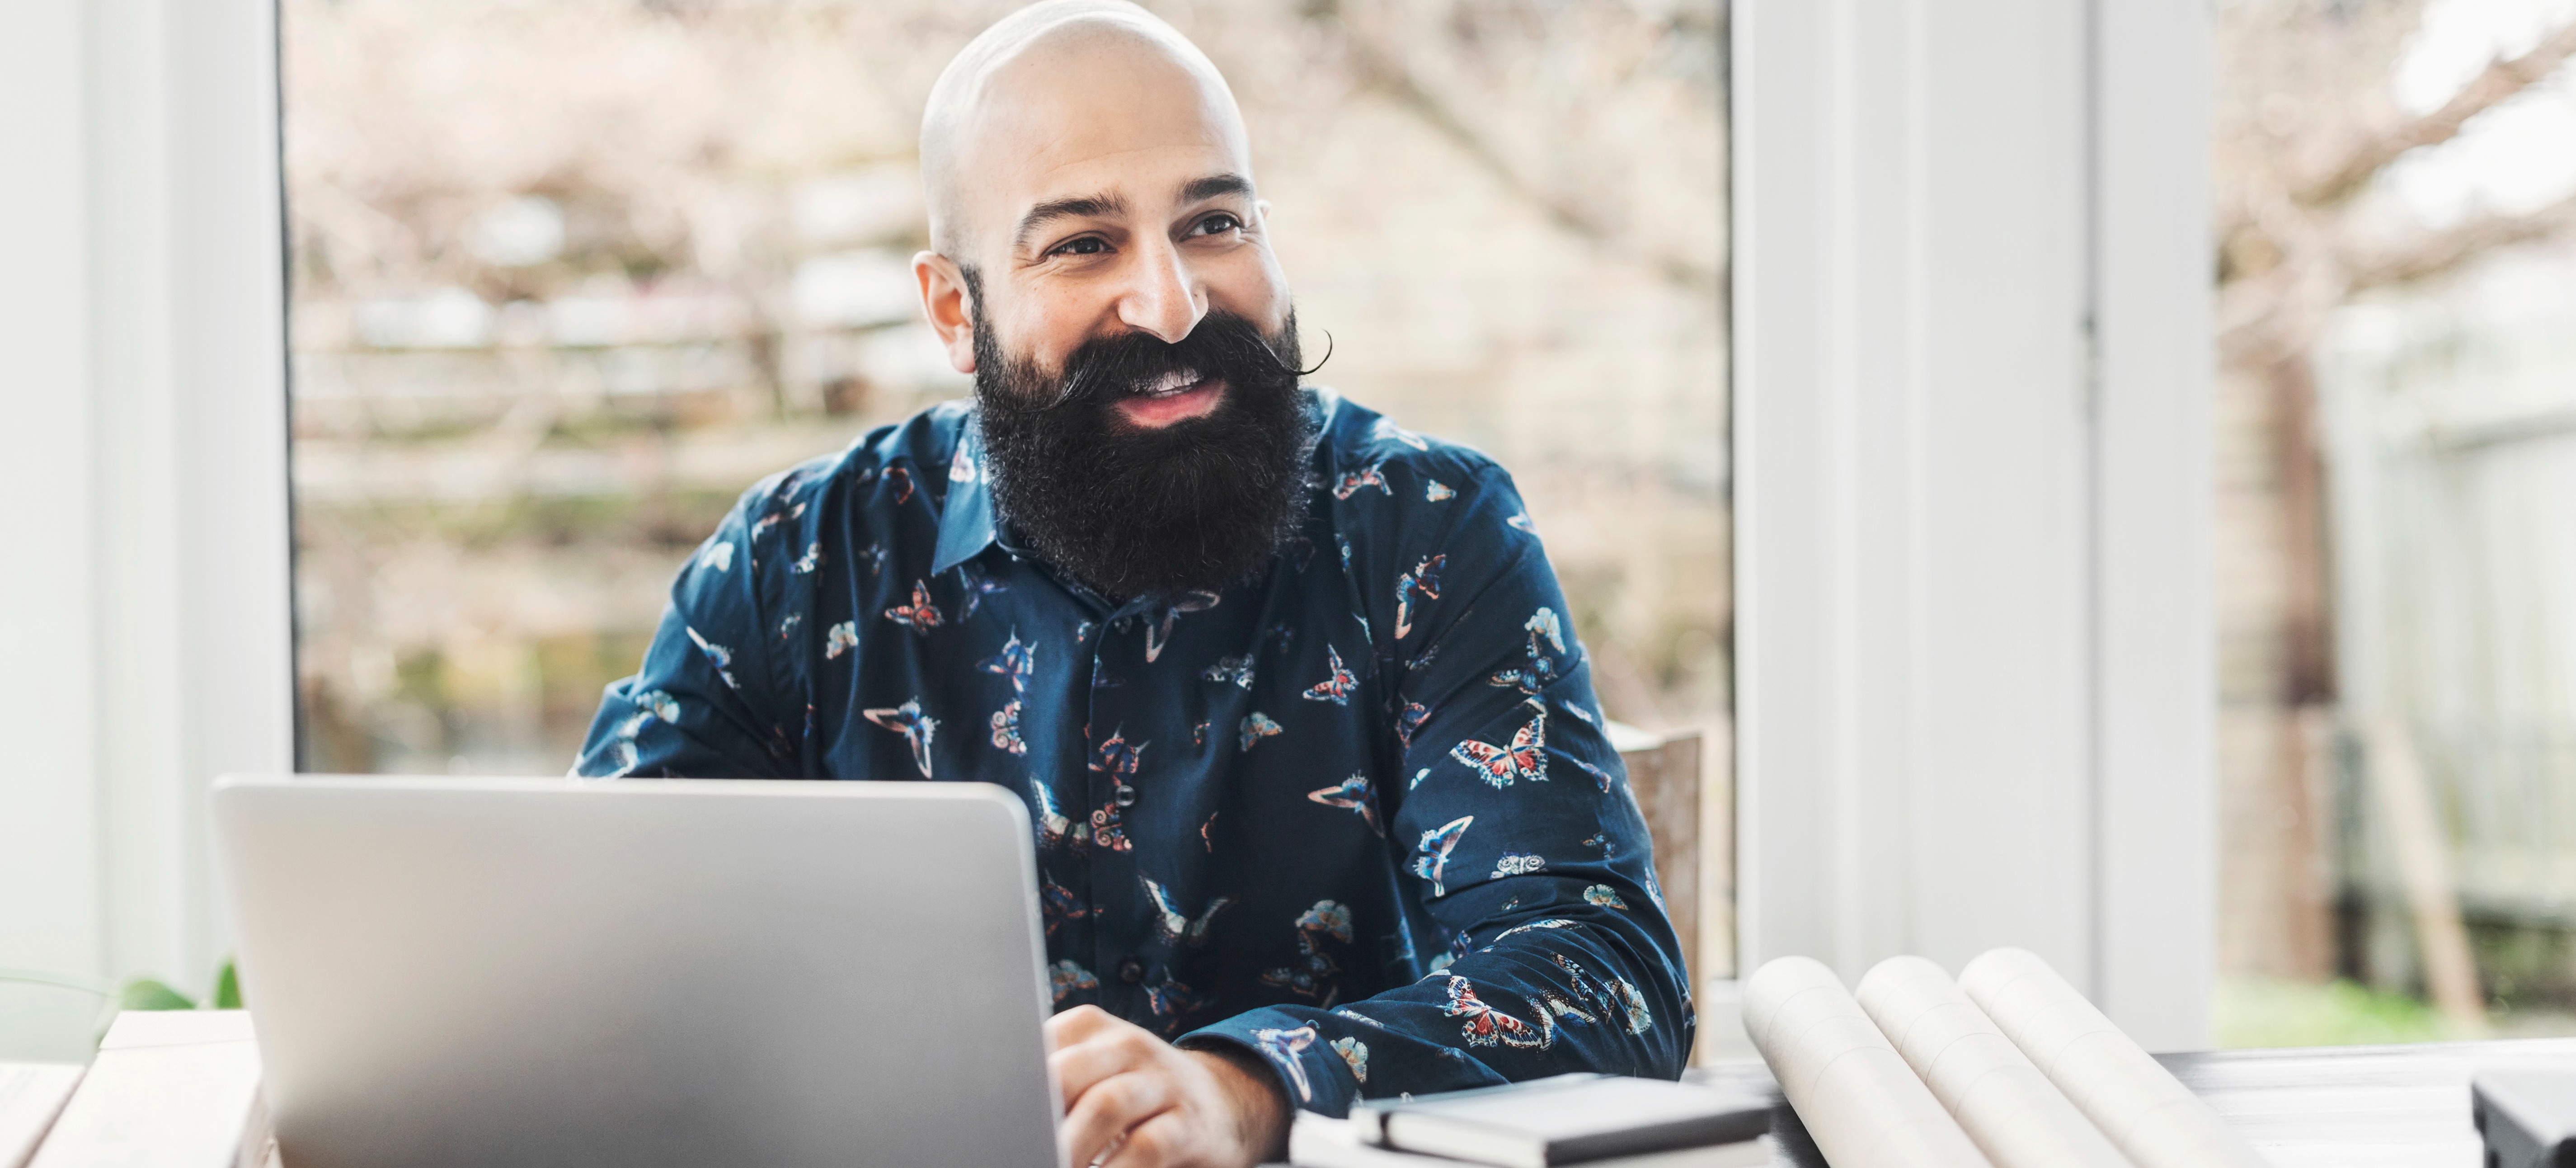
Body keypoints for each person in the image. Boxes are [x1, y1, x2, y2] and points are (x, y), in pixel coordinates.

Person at [573, 3, 1692, 1164]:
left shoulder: (1428, 531)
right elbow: (581, 958)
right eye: (1080, 244)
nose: (1172, 302)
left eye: (1213, 222)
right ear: (957, 310)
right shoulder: (790, 561)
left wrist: (1244, 1091)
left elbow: (1601, 976)